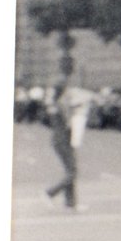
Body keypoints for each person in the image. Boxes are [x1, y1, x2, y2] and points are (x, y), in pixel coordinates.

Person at [42, 66, 87, 210]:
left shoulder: (53, 104)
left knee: (70, 169)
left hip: (58, 139)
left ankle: (70, 202)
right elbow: (69, 123)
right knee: (72, 171)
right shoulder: (61, 104)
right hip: (64, 140)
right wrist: (79, 112)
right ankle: (50, 193)